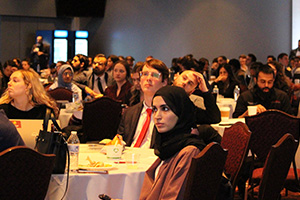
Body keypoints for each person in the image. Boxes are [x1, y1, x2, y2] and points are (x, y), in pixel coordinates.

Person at [139, 85, 210, 199]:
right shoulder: (169, 145)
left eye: (165, 109)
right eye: (155, 109)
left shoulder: (189, 152)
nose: (157, 116)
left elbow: (173, 196)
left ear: (181, 112)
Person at [117, 59, 169, 148]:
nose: (148, 78)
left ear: (164, 82)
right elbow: (119, 141)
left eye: (154, 75)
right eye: (144, 74)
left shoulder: (169, 113)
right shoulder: (130, 113)